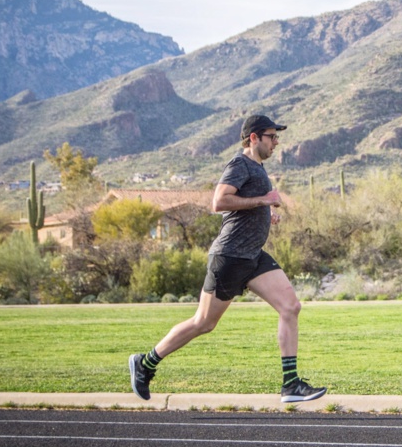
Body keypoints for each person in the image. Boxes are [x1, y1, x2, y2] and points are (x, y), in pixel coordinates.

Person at [129, 114, 327, 403]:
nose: (277, 142)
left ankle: (291, 384)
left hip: (253, 257)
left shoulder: (258, 168)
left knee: (291, 306)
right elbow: (219, 202)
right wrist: (262, 201)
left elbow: (247, 204)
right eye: (272, 136)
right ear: (254, 138)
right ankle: (145, 363)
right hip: (230, 256)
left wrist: (266, 213)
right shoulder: (239, 164)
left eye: (277, 137)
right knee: (204, 323)